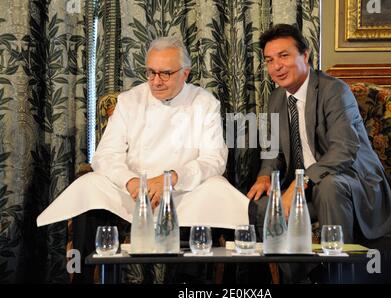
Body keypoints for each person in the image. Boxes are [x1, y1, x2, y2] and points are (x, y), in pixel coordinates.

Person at [37, 37, 249, 282]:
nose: (156, 81)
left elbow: (214, 158)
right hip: (132, 192)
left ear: (185, 74)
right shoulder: (129, 101)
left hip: (182, 192)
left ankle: (188, 283)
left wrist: (171, 180)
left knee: (216, 188)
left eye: (165, 74)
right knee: (89, 185)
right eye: (150, 72)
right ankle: (84, 276)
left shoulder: (204, 103)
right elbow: (105, 154)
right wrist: (130, 182)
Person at [247, 24, 391, 246]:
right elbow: (273, 150)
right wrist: (264, 176)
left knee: (329, 187)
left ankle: (337, 273)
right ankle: (295, 277)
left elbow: (343, 150)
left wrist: (300, 183)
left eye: (284, 56)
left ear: (305, 55)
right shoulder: (276, 98)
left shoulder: (334, 90)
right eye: (269, 60)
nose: (276, 66)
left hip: (351, 181)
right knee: (260, 204)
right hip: (310, 188)